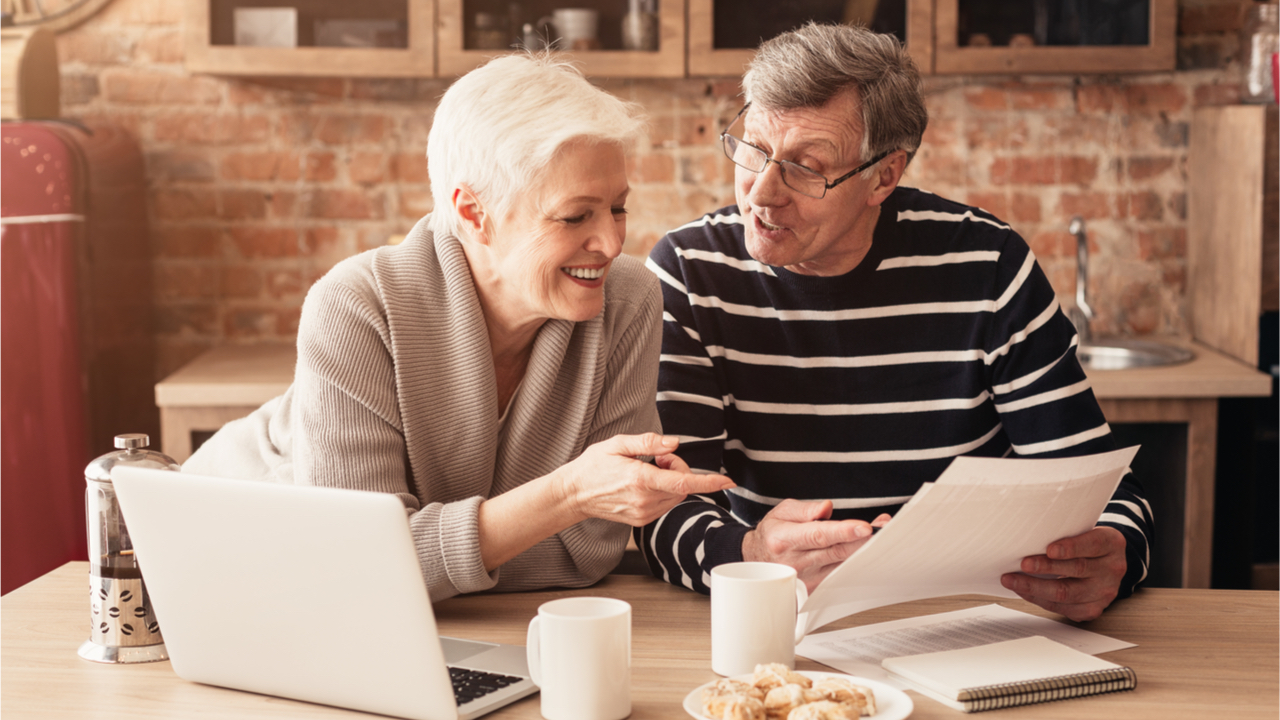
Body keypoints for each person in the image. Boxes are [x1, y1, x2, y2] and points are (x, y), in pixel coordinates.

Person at [634, 23, 1152, 622]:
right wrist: (748, 553)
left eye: (806, 167)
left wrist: (1114, 551)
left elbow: (1100, 488)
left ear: (884, 175)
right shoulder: (690, 270)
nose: (762, 193)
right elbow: (664, 505)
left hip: (968, 615)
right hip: (779, 615)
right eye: (753, 149)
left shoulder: (987, 265)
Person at [184, 54, 733, 601]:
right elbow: (355, 568)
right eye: (575, 216)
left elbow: (587, 553)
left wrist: (418, 553)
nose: (611, 244)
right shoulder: (354, 306)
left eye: (617, 208)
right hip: (216, 566)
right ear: (473, 214)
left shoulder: (628, 298)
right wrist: (565, 497)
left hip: (414, 616)